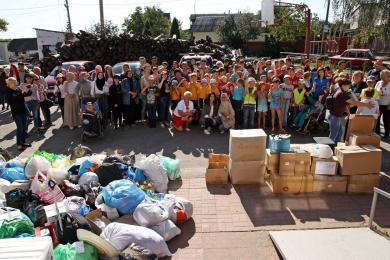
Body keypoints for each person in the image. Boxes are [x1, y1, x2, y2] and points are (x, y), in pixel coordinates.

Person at [6, 77, 32, 151]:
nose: (15, 83)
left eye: (15, 82)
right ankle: (19, 144)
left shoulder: (18, 89)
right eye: (13, 82)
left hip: (23, 111)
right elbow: (13, 100)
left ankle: (23, 142)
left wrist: (28, 89)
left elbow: (27, 94)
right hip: (16, 113)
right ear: (9, 84)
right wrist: (23, 92)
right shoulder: (8, 91)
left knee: (24, 128)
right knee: (20, 128)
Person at [374, 69, 390, 138]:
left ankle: (387, 133)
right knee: (376, 119)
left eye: (383, 76)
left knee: (386, 120)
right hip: (378, 104)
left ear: (388, 76)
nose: (381, 77)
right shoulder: (378, 83)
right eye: (381, 75)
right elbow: (374, 92)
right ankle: (377, 133)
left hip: (387, 104)